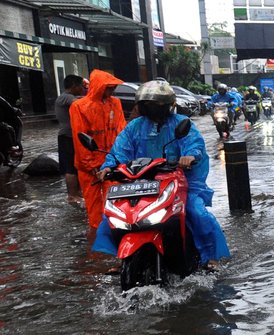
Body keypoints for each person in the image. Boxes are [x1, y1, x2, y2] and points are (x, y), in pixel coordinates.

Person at [92, 80, 230, 268]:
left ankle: (209, 257)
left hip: (177, 181)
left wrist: (189, 156)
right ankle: (123, 257)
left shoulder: (181, 123)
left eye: (155, 104)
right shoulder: (134, 127)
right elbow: (119, 151)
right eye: (147, 104)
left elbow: (194, 144)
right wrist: (109, 167)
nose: (151, 108)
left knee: (196, 213)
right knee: (114, 215)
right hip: (139, 183)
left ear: (166, 105)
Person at [70, 69, 126, 229]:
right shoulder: (79, 107)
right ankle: (97, 238)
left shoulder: (115, 103)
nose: (112, 90)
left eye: (113, 87)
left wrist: (119, 159)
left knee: (115, 201)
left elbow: (122, 132)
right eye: (108, 87)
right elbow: (79, 138)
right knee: (94, 206)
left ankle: (114, 233)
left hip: (111, 161)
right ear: (98, 86)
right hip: (90, 167)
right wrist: (91, 165)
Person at [55, 74, 85, 205]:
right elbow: (80, 103)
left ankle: (77, 193)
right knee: (71, 168)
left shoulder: (68, 97)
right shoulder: (65, 98)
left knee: (76, 166)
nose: (82, 90)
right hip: (67, 137)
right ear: (74, 86)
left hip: (72, 137)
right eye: (81, 87)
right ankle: (72, 196)